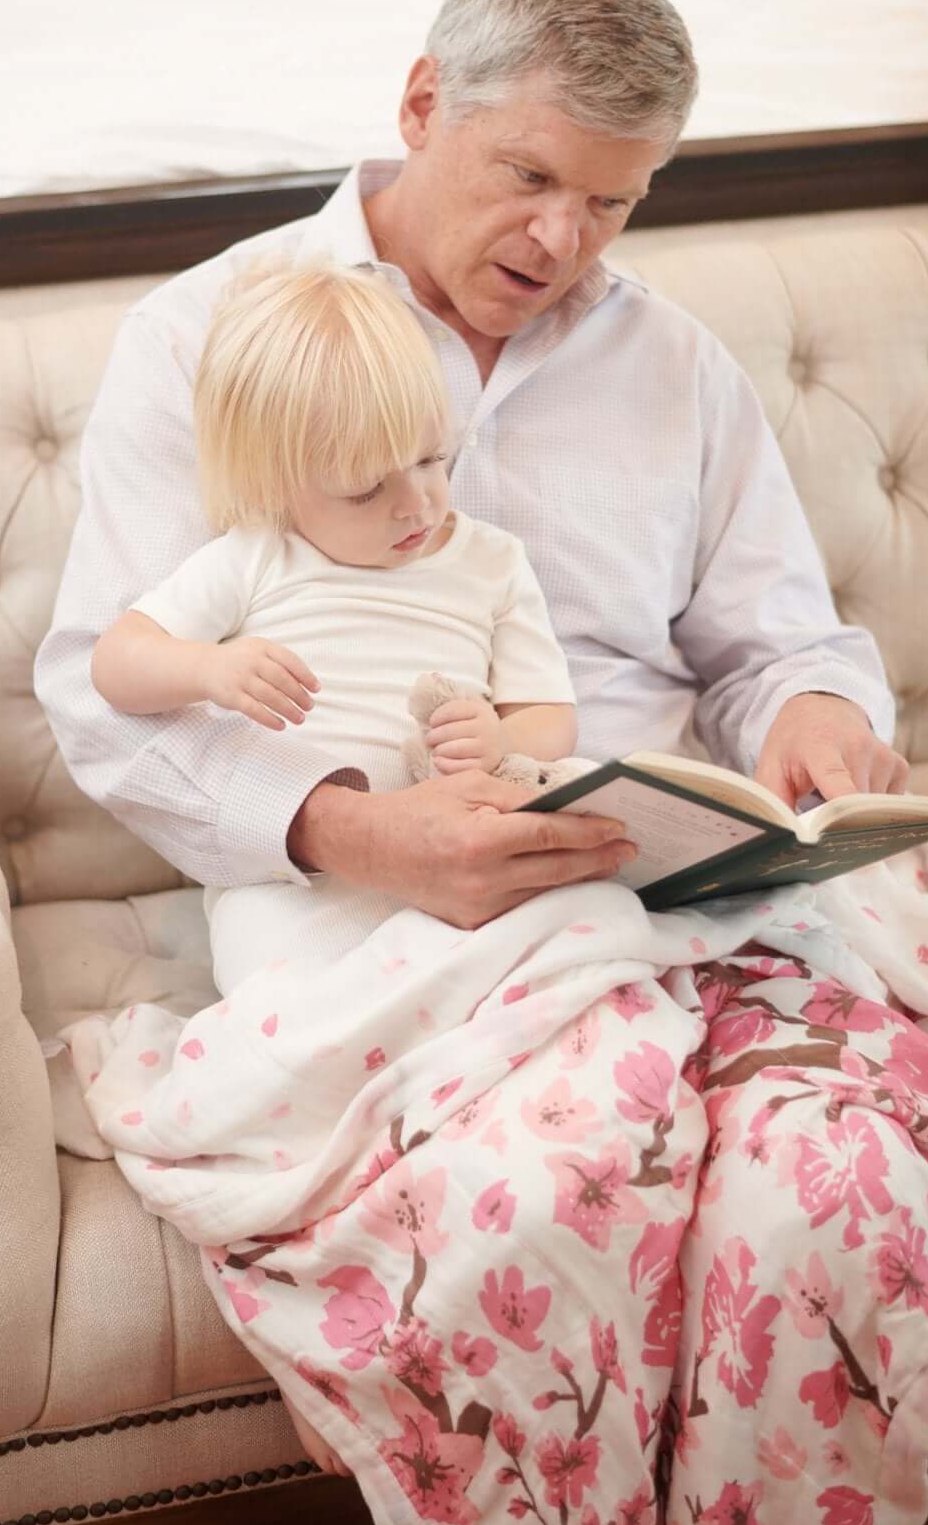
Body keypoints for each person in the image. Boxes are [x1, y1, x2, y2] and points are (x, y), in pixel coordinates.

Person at [36, 0, 909, 923]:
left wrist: (818, 710)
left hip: (671, 889)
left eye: (608, 202)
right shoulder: (198, 340)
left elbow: (781, 647)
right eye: (529, 174)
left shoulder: (678, 364)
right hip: (366, 895)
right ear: (421, 105)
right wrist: (350, 829)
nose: (559, 240)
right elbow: (99, 691)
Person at [89, 255, 598, 993]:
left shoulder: (490, 561)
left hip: (470, 849)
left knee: (578, 879)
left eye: (432, 459)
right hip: (305, 878)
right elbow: (115, 664)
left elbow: (549, 717)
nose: (418, 504)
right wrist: (207, 670)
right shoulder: (255, 558)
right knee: (291, 992)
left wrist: (501, 737)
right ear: (276, 484)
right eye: (365, 490)